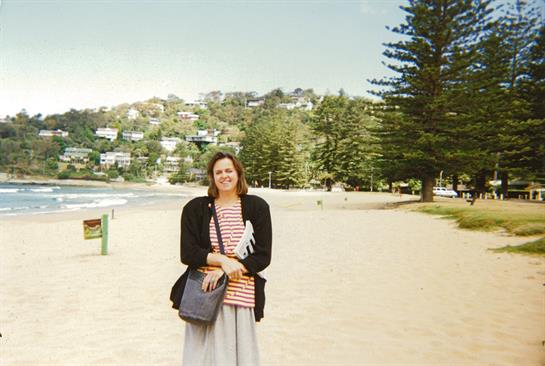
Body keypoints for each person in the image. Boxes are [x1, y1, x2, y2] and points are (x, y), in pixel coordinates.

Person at [178, 151, 272, 365]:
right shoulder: (196, 208)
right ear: (212, 177)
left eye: (229, 170)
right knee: (202, 357)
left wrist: (226, 268)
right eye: (218, 172)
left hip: (241, 293)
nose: (224, 176)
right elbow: (188, 253)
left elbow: (263, 255)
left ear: (238, 173)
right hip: (204, 294)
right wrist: (222, 260)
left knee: (238, 356)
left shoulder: (256, 207)